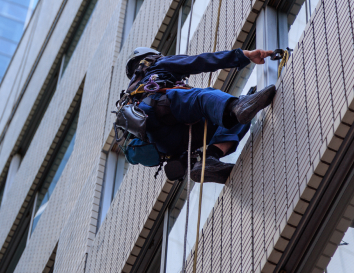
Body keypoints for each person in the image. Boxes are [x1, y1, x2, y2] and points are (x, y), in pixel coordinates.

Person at [118, 47, 277, 183]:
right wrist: (244, 55)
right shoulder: (156, 64)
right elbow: (198, 61)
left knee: (233, 119)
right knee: (203, 97)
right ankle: (237, 105)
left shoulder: (131, 95)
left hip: (164, 144)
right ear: (151, 57)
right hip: (161, 106)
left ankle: (209, 161)